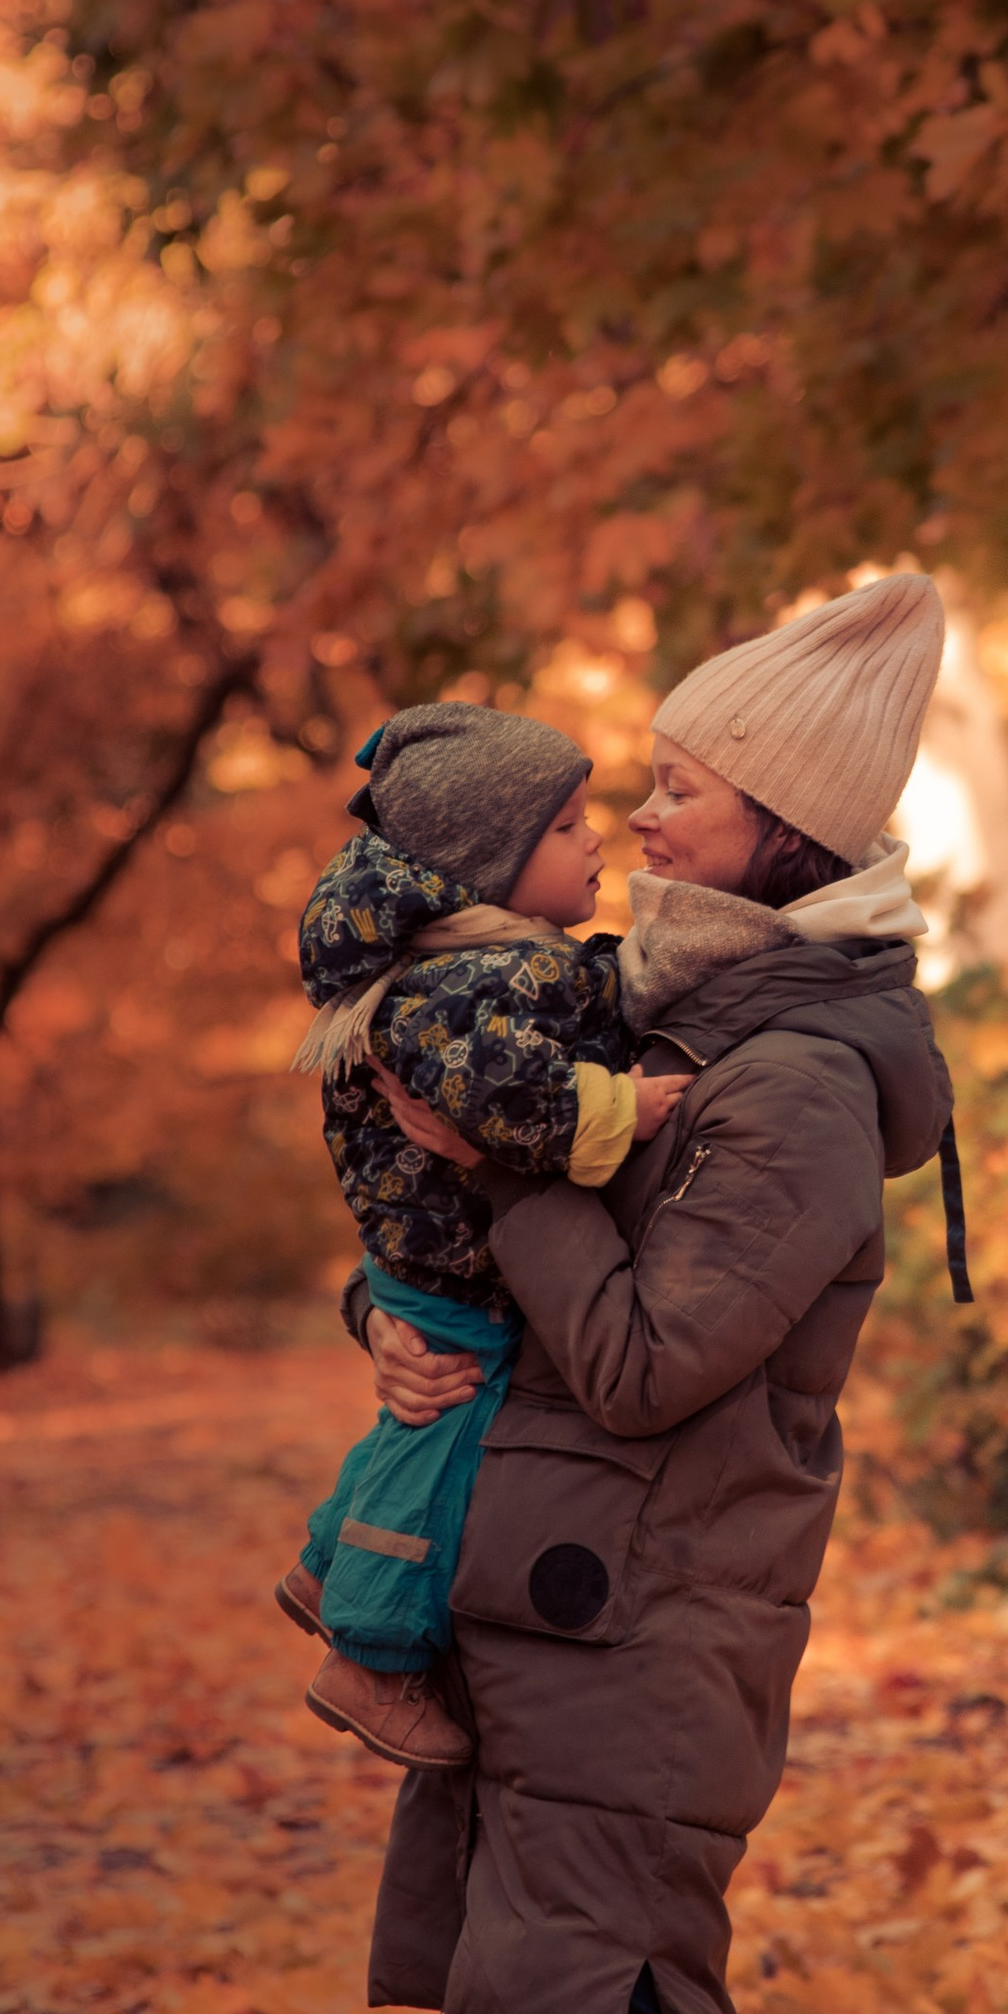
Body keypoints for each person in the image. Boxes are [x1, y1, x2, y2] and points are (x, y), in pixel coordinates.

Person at [349, 572, 954, 2014]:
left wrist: (496, 1177)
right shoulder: (670, 1011)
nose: (641, 819)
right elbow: (478, 1244)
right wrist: (398, 1288)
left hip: (653, 1627)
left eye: (682, 787)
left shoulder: (785, 1088)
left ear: (781, 833)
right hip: (566, 1603)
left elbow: (636, 1359)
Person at [284, 704, 687, 1768]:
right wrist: (625, 1113)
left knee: (415, 1424)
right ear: (485, 866)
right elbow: (508, 1096)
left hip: (426, 1255)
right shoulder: (464, 984)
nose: (595, 838)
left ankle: (328, 1562)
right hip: (453, 1265)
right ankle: (372, 1652)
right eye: (563, 828)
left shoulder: (485, 962)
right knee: (445, 1439)